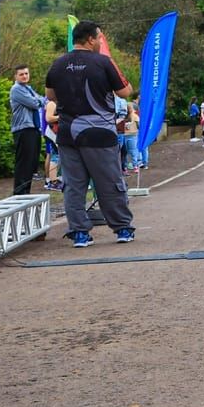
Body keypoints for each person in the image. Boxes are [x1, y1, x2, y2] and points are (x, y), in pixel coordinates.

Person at [45, 19, 136, 247]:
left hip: (68, 134)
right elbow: (125, 91)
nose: (100, 41)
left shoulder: (57, 64)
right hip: (99, 133)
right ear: (90, 39)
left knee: (73, 185)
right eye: (99, 37)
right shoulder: (103, 62)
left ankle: (79, 233)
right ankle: (122, 228)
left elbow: (50, 95)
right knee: (109, 181)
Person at [9, 64, 46, 196]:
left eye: (26, 73)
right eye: (21, 74)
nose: (24, 76)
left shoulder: (28, 88)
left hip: (33, 128)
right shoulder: (16, 89)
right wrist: (39, 100)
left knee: (31, 163)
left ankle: (26, 191)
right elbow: (35, 103)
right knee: (24, 162)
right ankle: (19, 193)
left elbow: (43, 100)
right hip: (24, 129)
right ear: (16, 76)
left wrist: (39, 100)